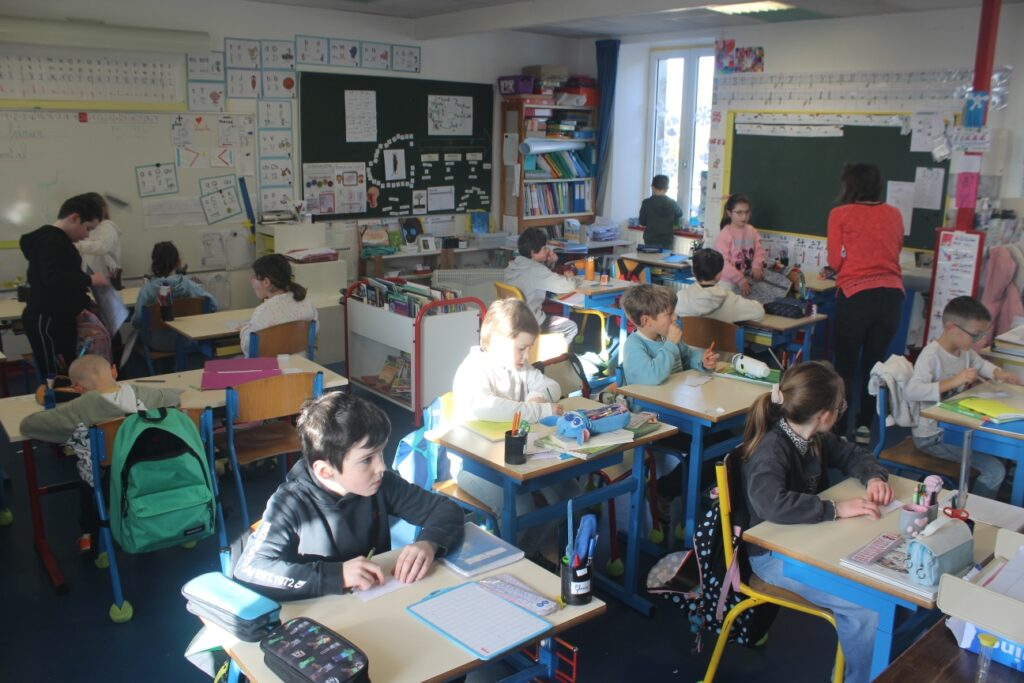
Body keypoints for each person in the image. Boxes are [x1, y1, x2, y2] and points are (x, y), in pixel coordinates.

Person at [740, 362, 892, 683]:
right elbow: (770, 503)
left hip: (806, 543)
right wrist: (835, 509)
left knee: (878, 587)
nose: (841, 411)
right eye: (841, 407)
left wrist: (874, 477)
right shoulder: (774, 449)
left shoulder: (815, 437)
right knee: (866, 609)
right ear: (825, 416)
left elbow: (853, 455)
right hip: (772, 558)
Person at [233, 392, 464, 601]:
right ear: (325, 471)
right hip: (318, 614)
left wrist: (429, 543)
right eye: (366, 459)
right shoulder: (289, 503)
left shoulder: (381, 484)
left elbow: (446, 510)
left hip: (372, 602)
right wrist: (338, 575)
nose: (381, 467)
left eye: (381, 452)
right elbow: (249, 569)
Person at [451, 298, 574, 560]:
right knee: (522, 509)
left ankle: (525, 555)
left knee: (570, 494)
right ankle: (511, 562)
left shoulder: (519, 367)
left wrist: (538, 397)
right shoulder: (473, 369)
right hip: (473, 464)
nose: (526, 356)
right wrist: (539, 410)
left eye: (528, 349)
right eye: (521, 348)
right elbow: (487, 407)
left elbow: (552, 386)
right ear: (497, 341)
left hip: (517, 459)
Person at [19, 354, 181, 551]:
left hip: (103, 479)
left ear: (76, 388)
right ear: (114, 371)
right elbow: (173, 397)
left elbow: (28, 425)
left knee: (88, 481)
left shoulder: (79, 407)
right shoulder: (140, 393)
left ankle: (91, 537)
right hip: (142, 470)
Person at [906, 296, 1020, 498]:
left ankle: (975, 491)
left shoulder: (964, 351)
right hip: (932, 436)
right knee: (995, 471)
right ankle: (977, 509)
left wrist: (999, 373)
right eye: (975, 335)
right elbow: (912, 391)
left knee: (1000, 450)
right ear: (952, 327)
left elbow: (981, 364)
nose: (979, 340)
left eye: (982, 335)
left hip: (956, 428)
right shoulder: (931, 355)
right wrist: (955, 380)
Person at [823, 163, 904, 443]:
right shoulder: (894, 214)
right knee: (874, 364)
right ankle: (864, 427)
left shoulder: (841, 213)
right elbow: (894, 250)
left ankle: (838, 429)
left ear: (849, 185)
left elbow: (835, 261)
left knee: (844, 366)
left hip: (856, 295)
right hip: (892, 296)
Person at [20, 194, 107, 378]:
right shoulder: (51, 241)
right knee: (56, 376)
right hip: (48, 319)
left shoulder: (59, 240)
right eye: (88, 228)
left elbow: (63, 277)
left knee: (67, 371)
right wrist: (90, 280)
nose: (87, 235)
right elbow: (53, 279)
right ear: (75, 218)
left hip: (59, 317)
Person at [621, 284, 719, 386]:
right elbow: (651, 377)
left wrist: (702, 361)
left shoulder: (665, 336)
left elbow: (687, 358)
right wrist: (671, 343)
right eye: (669, 314)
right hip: (647, 396)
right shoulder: (633, 345)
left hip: (674, 393)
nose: (675, 317)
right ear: (646, 321)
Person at [132, 242, 218, 352]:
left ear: (154, 263)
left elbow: (137, 321)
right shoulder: (188, 285)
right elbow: (213, 305)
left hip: (158, 343)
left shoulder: (148, 290)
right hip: (188, 339)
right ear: (178, 262)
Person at [503, 227, 578, 346]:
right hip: (531, 323)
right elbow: (568, 286)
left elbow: (537, 277)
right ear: (533, 252)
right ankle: (552, 355)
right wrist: (571, 277)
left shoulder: (513, 265)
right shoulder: (536, 270)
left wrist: (550, 262)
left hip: (511, 322)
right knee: (570, 327)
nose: (548, 251)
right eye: (544, 248)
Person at [240, 254, 318, 357]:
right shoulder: (306, 302)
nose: (251, 281)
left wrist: (244, 329)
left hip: (271, 366)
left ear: (266, 282)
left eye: (254, 277)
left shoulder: (263, 311)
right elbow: (315, 330)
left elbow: (249, 348)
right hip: (300, 364)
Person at [674, 248, 765, 323]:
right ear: (719, 275)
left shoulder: (680, 298)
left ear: (692, 270)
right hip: (718, 341)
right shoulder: (729, 299)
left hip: (688, 341)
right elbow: (759, 312)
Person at [713, 194, 765, 296]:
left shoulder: (752, 231)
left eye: (747, 212)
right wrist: (740, 280)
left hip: (746, 278)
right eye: (739, 212)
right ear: (729, 213)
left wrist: (756, 266)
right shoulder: (724, 235)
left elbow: (759, 251)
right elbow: (723, 263)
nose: (744, 217)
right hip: (728, 283)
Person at [75, 192, 123, 288]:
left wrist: (77, 245)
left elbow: (102, 247)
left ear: (102, 210)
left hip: (108, 278)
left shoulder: (108, 227)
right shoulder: (89, 227)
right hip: (93, 277)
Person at [638, 174, 682, 250]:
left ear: (652, 187)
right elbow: (680, 214)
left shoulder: (646, 203)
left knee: (650, 257)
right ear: (667, 189)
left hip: (650, 239)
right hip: (667, 240)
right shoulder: (672, 203)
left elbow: (642, 222)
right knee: (665, 257)